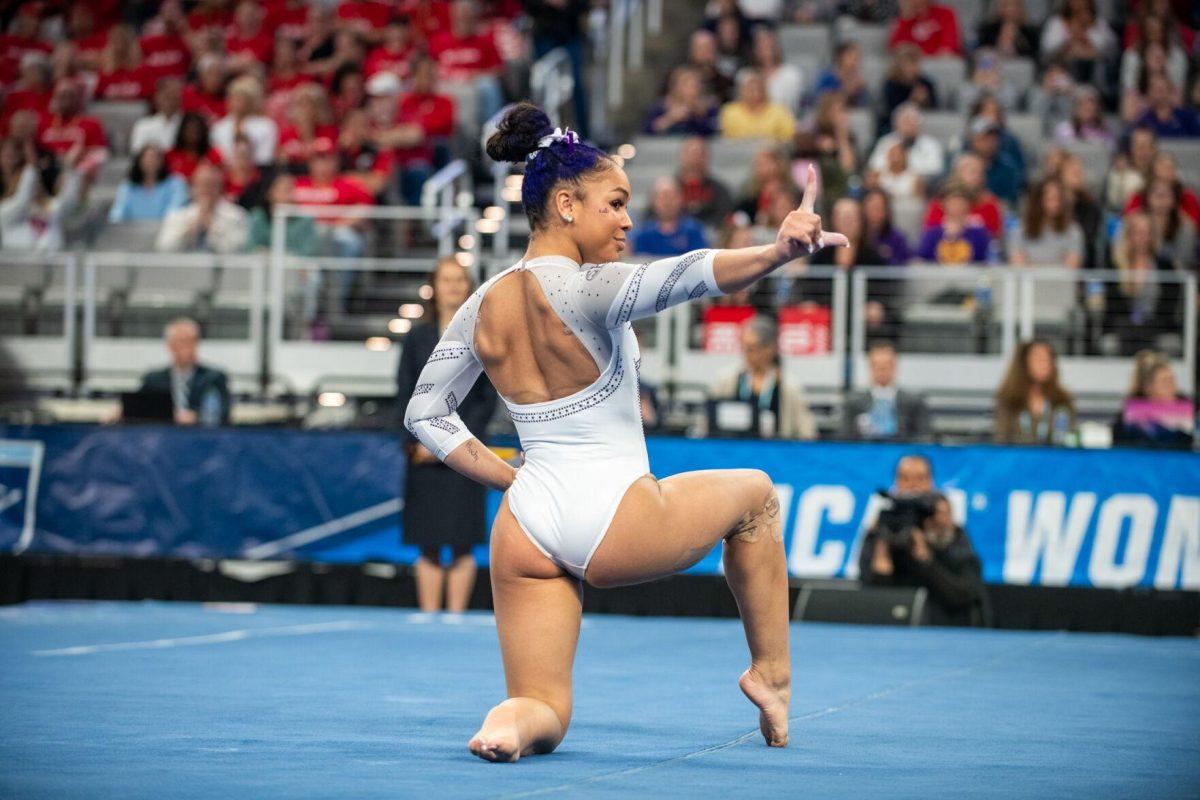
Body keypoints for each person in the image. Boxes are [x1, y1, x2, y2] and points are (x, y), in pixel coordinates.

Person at [404, 102, 849, 761]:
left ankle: (507, 725)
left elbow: (425, 414)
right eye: (614, 203)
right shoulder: (590, 288)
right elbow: (694, 273)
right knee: (756, 497)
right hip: (615, 517)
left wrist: (510, 477)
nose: (628, 219)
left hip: (525, 524)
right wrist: (779, 250)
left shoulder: (480, 304)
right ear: (565, 205)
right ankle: (772, 675)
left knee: (544, 707)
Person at [396, 257, 499, 612]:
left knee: (462, 542)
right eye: (446, 280)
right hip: (424, 456)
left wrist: (457, 443)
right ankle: (428, 617)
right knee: (427, 541)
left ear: (468, 287)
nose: (453, 287)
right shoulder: (416, 338)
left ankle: (455, 618)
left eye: (460, 280)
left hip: (465, 456)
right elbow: (405, 392)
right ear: (434, 287)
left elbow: (487, 399)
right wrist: (419, 443)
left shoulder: (480, 335)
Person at [858, 455, 986, 627]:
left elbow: (966, 592)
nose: (912, 485)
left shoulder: (946, 526)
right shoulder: (886, 525)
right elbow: (868, 591)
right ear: (895, 482)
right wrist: (882, 550)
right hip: (893, 625)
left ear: (931, 481)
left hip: (943, 624)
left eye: (920, 478)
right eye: (905, 478)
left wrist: (927, 559)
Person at [709, 315, 818, 440]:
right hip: (734, 450)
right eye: (744, 348)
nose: (746, 354)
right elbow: (707, 423)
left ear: (769, 349)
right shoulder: (726, 379)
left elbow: (807, 431)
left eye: (751, 349)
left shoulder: (790, 386)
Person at [134, 318, 231, 427]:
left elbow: (223, 412)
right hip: (164, 437)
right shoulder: (153, 380)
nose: (188, 347)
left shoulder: (214, 378)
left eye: (192, 341)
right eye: (182, 341)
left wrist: (196, 417)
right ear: (170, 345)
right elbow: (140, 411)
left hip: (201, 437)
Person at [840, 341, 931, 440]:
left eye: (886, 365)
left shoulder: (914, 403)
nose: (882, 370)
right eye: (877, 365)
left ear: (894, 366)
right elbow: (845, 437)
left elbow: (923, 438)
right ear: (870, 367)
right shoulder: (854, 403)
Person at [993, 338, 1076, 445]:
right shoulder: (1008, 400)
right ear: (1024, 364)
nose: (1044, 364)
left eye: (1048, 359)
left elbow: (1069, 439)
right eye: (1038, 358)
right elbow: (1001, 439)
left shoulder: (1062, 400)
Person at [156, 163, 249, 253]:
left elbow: (239, 250)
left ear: (220, 188)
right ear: (193, 188)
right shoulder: (178, 215)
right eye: (202, 184)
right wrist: (188, 232)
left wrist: (213, 228)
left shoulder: (236, 215)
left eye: (212, 185)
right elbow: (164, 248)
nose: (206, 189)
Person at [1111, 350, 1194, 449]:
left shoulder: (1188, 410)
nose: (1172, 386)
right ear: (1148, 387)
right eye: (1164, 381)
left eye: (1172, 379)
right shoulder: (1129, 416)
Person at [1007, 178, 1085, 269]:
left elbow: (1071, 268)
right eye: (1050, 198)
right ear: (1038, 201)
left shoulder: (1073, 231)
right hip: (1029, 282)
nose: (1055, 203)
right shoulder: (1019, 230)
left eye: (1058, 199)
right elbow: (1018, 266)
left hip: (1060, 282)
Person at [108, 145, 190, 223]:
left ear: (162, 161)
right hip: (132, 234)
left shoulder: (176, 183)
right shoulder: (127, 186)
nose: (151, 162)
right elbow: (118, 213)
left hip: (165, 233)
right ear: (139, 161)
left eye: (155, 158)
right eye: (147, 158)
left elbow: (175, 212)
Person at [916, 181, 991, 264]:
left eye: (960, 202)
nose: (956, 206)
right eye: (952, 202)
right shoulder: (933, 234)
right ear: (943, 204)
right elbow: (923, 258)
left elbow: (984, 260)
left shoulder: (978, 233)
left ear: (968, 204)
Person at [632, 176, 711, 256]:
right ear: (653, 201)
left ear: (681, 199)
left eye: (672, 197)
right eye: (663, 197)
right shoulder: (644, 233)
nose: (668, 203)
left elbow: (700, 259)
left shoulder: (693, 230)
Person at [867, 103, 945, 182]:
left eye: (913, 121)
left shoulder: (931, 144)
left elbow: (935, 169)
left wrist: (902, 167)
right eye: (906, 122)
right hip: (888, 186)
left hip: (921, 187)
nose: (910, 126)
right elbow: (875, 167)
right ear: (896, 124)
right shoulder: (886, 142)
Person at [676, 136, 734, 229]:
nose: (695, 159)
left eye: (700, 154)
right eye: (692, 154)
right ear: (682, 156)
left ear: (707, 158)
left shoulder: (719, 190)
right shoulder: (669, 189)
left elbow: (725, 217)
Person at [643, 66, 719, 137]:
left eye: (695, 86)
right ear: (676, 87)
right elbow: (647, 132)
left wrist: (700, 115)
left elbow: (715, 132)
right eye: (687, 85)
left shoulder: (709, 108)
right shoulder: (661, 107)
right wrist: (670, 118)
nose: (692, 91)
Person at [1132, 73, 1200, 138]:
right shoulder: (1143, 120)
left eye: (1163, 90)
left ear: (1171, 92)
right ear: (1150, 94)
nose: (1160, 94)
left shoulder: (1188, 117)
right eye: (1156, 90)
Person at [131, 77, 185, 154]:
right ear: (156, 98)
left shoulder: (187, 125)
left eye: (174, 96)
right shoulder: (143, 126)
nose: (170, 102)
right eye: (166, 96)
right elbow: (137, 155)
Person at [888, 0, 962, 56]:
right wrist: (906, 19)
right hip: (912, 67)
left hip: (938, 64)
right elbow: (897, 47)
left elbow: (948, 47)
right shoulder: (906, 19)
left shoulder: (945, 14)